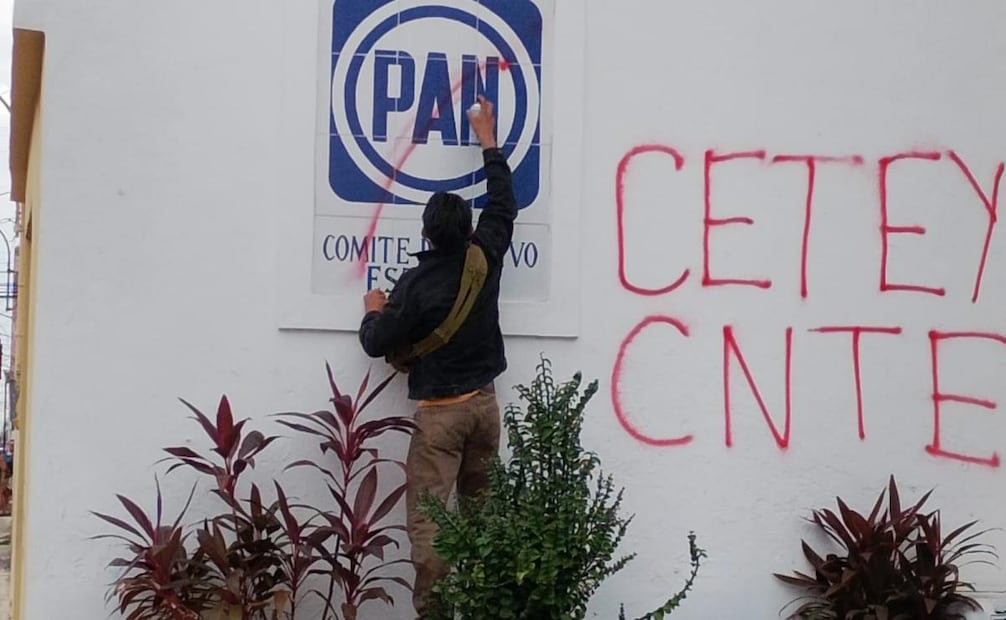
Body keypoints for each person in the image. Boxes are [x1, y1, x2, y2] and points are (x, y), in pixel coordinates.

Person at [357, 95, 516, 618]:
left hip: (440, 419)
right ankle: (485, 608)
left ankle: (436, 613)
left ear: (425, 233)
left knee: (429, 526)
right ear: (468, 229)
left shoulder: (416, 285)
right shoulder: (484, 257)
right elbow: (503, 204)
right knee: (481, 519)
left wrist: (373, 310)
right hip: (485, 409)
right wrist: (488, 139)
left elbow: (376, 342)